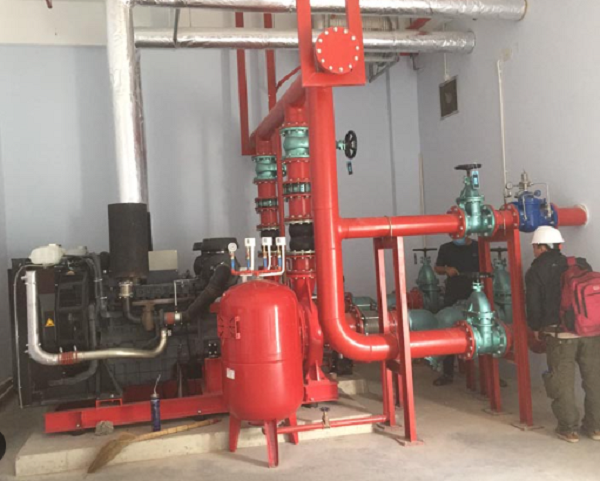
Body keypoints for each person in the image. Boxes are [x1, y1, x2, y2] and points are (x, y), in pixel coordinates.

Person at [525, 226, 600, 443]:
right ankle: (596, 427)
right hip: (591, 332)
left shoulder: (536, 270)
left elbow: (533, 305)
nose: (534, 251)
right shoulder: (580, 264)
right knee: (594, 380)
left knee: (562, 382)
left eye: (535, 247)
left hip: (561, 336)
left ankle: (568, 429)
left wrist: (535, 328)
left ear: (540, 247)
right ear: (559, 245)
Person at [433, 236, 480, 386]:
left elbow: (488, 267)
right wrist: (446, 269)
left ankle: (489, 374)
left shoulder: (478, 247)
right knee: (448, 331)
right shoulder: (446, 248)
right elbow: (437, 268)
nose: (454, 237)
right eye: (451, 234)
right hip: (452, 295)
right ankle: (447, 373)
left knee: (482, 331)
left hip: (474, 295)